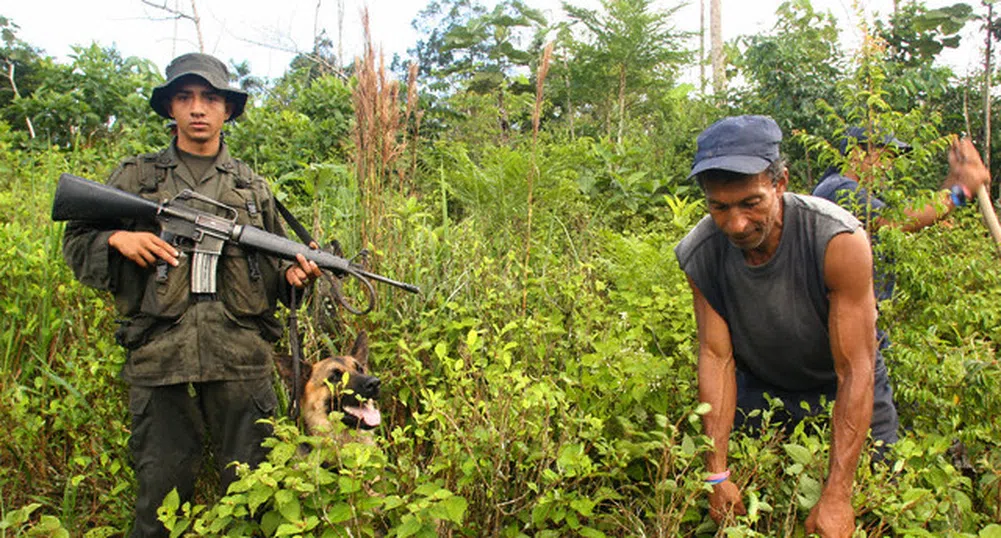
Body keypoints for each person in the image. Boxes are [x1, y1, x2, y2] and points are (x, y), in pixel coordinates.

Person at [62, 53, 321, 538]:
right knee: (159, 502)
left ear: (228, 111)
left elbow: (274, 277)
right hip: (161, 360)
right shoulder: (137, 178)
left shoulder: (252, 188)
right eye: (185, 97)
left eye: (210, 98)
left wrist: (294, 279)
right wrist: (118, 240)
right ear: (170, 108)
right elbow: (77, 242)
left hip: (242, 362)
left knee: (255, 500)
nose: (198, 109)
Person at [674, 115, 898, 538]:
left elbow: (856, 369)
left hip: (843, 388)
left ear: (780, 183)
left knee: (872, 510)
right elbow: (716, 358)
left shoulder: (837, 240)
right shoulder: (702, 251)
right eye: (719, 207)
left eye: (750, 203)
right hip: (765, 390)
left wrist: (838, 494)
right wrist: (717, 476)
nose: (736, 225)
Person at [812, 126, 991, 305]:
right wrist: (963, 191)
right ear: (856, 154)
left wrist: (957, 177)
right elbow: (897, 220)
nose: (888, 166)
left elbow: (920, 212)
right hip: (842, 317)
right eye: (884, 156)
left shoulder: (869, 194)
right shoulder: (838, 189)